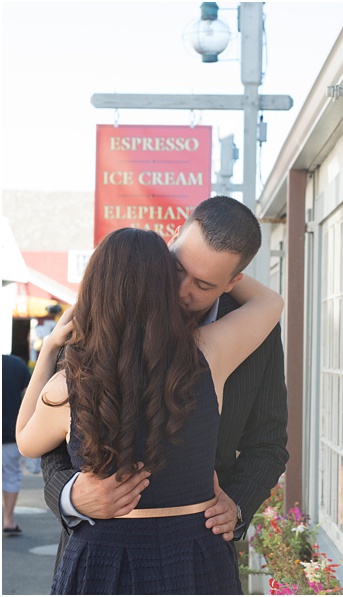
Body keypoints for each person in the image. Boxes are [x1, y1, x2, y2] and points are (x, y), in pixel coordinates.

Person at [16, 227, 284, 593]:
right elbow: (270, 303)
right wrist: (186, 257)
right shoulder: (208, 353)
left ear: (94, 288)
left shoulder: (70, 383)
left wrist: (48, 350)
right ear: (165, 288)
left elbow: (26, 441)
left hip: (102, 559)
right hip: (196, 556)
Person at [3, 353, 31, 535]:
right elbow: (32, 394)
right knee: (11, 476)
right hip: (9, 431)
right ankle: (9, 520)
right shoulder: (17, 364)